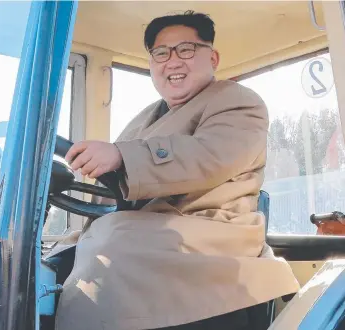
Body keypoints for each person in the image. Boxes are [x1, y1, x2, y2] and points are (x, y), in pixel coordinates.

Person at [52, 10, 300, 330]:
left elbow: (208, 157)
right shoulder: (145, 118)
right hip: (150, 230)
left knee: (111, 243)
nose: (173, 61)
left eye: (186, 50)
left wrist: (121, 157)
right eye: (161, 53)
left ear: (212, 57)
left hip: (211, 232)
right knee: (59, 251)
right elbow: (120, 179)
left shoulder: (239, 102)